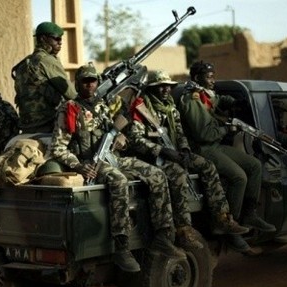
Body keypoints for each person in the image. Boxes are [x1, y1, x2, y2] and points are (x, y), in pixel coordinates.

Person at [50, 64, 186, 272]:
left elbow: (125, 126)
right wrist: (78, 166)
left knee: (157, 174)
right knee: (119, 181)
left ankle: (163, 234)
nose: (89, 85)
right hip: (93, 162)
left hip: (114, 157)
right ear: (77, 84)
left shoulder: (104, 105)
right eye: (85, 81)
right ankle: (121, 246)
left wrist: (121, 138)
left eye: (93, 80)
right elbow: (57, 148)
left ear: (97, 83)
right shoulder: (69, 109)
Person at [127, 70, 252, 252]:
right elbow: (135, 140)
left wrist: (184, 149)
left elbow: (179, 132)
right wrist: (163, 151)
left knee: (207, 166)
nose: (165, 90)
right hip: (153, 157)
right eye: (160, 87)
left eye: (167, 87)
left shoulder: (169, 105)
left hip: (174, 151)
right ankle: (183, 230)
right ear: (152, 89)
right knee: (178, 175)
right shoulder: (141, 108)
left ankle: (222, 217)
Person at [177, 61, 276, 253]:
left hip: (214, 145)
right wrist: (227, 129)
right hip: (202, 148)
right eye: (209, 76)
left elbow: (214, 102)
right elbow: (203, 134)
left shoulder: (205, 96)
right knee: (239, 177)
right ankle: (231, 227)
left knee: (254, 166)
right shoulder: (192, 99)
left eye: (214, 76)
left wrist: (229, 101)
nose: (213, 80)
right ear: (197, 78)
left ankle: (249, 214)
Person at [12, 21, 77, 134]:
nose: (60, 42)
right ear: (43, 39)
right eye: (56, 38)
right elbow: (71, 94)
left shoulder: (23, 64)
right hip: (47, 124)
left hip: (26, 126)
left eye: (61, 39)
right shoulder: (47, 61)